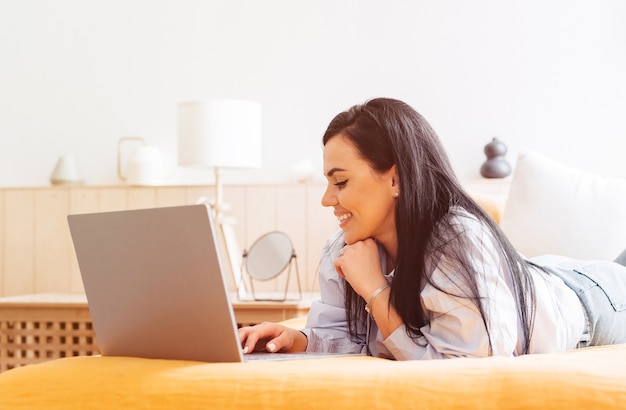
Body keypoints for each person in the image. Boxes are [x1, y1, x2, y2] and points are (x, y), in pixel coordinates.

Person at [238, 97, 626, 360]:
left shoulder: (456, 240)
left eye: (340, 182)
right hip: (539, 272)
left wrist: (376, 290)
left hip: (592, 301)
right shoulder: (344, 251)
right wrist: (299, 341)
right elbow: (351, 341)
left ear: (395, 179)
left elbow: (459, 360)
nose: (327, 199)